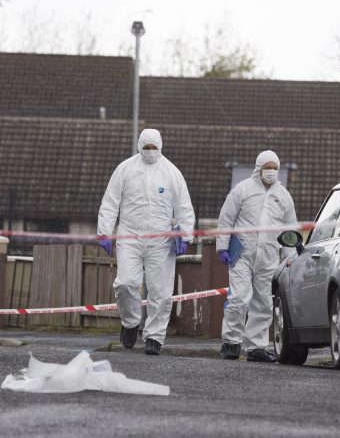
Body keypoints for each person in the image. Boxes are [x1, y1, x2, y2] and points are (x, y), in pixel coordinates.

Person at [97, 128, 195, 356]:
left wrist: (186, 235)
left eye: (154, 148)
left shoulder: (171, 172)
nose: (150, 152)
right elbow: (110, 202)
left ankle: (154, 336)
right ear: (139, 147)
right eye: (146, 148)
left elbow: (184, 207)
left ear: (160, 147)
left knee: (160, 290)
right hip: (129, 236)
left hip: (161, 240)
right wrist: (104, 231)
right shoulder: (125, 169)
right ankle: (130, 322)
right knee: (126, 283)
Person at [216, 150, 297, 362]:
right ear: (258, 168)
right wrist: (222, 247)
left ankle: (256, 347)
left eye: (274, 168)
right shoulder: (242, 190)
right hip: (241, 253)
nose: (271, 172)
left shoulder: (284, 196)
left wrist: (288, 257)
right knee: (239, 298)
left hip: (269, 256)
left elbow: (289, 230)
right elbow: (226, 219)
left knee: (264, 303)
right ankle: (231, 342)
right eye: (267, 167)